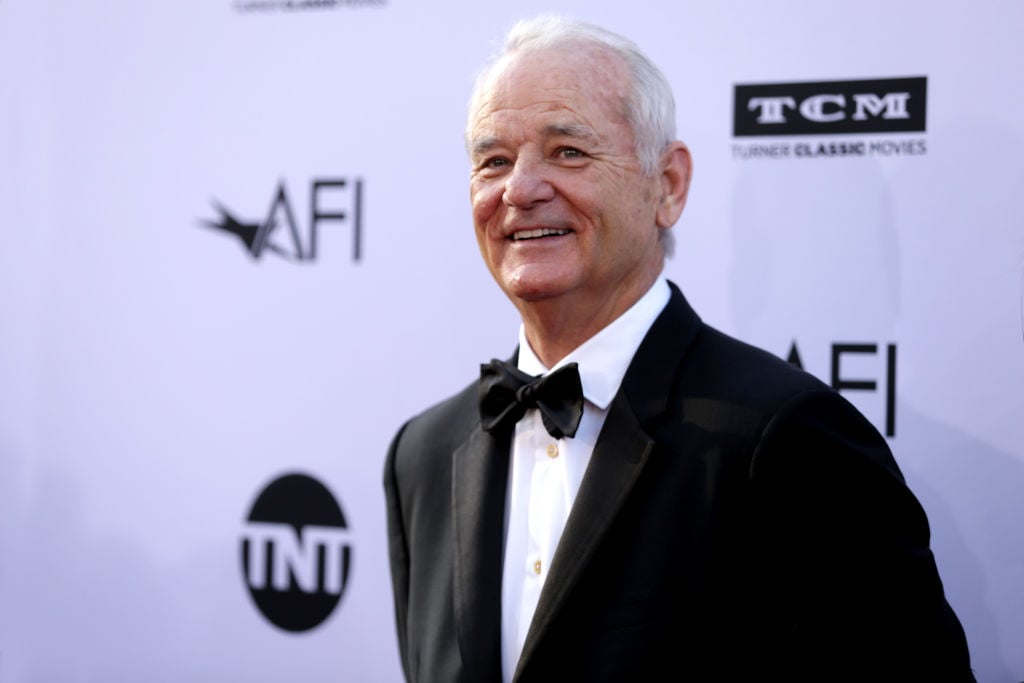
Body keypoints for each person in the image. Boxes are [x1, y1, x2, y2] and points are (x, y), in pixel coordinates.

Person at [384, 14, 974, 682]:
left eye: (568, 151)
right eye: (493, 161)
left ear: (667, 185)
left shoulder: (789, 438)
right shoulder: (423, 456)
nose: (519, 189)